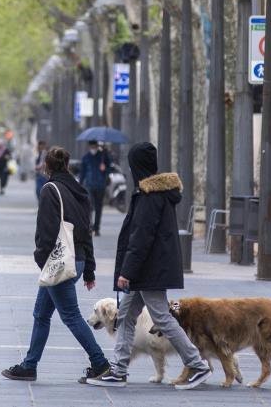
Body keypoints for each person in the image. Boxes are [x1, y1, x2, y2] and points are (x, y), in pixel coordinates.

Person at [88, 142, 211, 390]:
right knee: (126, 316)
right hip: (149, 268)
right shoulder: (157, 194)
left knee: (162, 317)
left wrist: (127, 272)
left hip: (149, 270)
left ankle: (197, 365)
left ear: (137, 167)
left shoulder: (149, 197)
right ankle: (119, 370)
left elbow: (141, 238)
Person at [1, 146, 111, 384]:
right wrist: (89, 269)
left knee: (71, 315)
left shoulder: (49, 190)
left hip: (59, 262)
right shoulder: (79, 190)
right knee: (41, 313)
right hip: (77, 259)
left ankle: (100, 363)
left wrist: (42, 260)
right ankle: (29, 366)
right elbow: (87, 232)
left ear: (46, 166)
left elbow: (47, 232)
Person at [79, 141, 112, 236]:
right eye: (91, 146)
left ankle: (97, 228)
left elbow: (109, 168)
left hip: (100, 185)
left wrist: (105, 168)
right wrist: (80, 184)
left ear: (97, 146)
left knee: (98, 207)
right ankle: (90, 226)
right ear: (89, 146)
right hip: (89, 185)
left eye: (95, 146)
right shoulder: (85, 158)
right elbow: (83, 173)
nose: (93, 148)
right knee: (89, 206)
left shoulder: (103, 157)